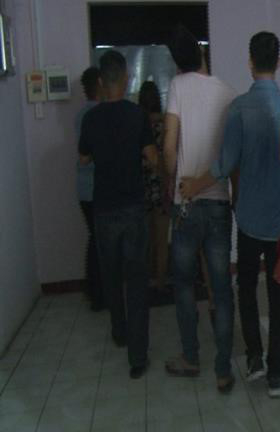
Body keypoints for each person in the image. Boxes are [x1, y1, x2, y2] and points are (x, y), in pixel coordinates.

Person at [180, 31, 280, 398]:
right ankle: (276, 375)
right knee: (278, 297)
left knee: (246, 290)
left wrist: (194, 185)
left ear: (250, 62)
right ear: (278, 62)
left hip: (248, 220)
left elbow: (224, 164)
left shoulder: (240, 108)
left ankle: (255, 360)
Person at [163, 25, 237, 393]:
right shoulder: (227, 92)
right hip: (219, 202)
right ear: (202, 53)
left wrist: (171, 180)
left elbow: (168, 147)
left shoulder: (177, 86)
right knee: (221, 288)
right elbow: (232, 155)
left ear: (178, 63)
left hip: (187, 202)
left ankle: (191, 357)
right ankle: (223, 369)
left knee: (183, 284)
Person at [79, 50, 158, 379]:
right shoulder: (137, 115)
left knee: (111, 276)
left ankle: (119, 331)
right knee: (137, 282)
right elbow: (152, 158)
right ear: (126, 79)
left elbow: (83, 159)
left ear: (101, 81)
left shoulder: (91, 119)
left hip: (104, 208)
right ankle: (137, 357)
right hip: (133, 208)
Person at [76, 66, 105, 311]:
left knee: (95, 239)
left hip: (84, 188)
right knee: (99, 241)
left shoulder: (80, 114)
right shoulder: (96, 114)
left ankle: (94, 291)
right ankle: (97, 293)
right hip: (96, 186)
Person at [138, 81, 170, 293]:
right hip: (161, 184)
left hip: (141, 186)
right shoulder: (165, 124)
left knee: (145, 239)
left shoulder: (137, 124)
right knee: (161, 239)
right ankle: (161, 282)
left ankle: (146, 278)